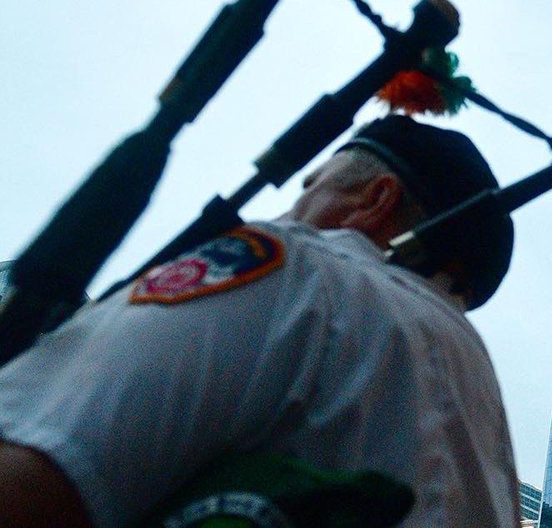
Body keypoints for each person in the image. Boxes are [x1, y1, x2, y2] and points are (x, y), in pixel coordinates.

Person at [0, 114, 520, 527]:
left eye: (310, 188)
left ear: (374, 200)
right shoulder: (482, 406)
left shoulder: (301, 269)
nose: (291, 209)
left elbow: (42, 470)